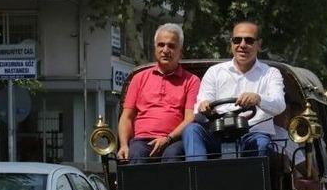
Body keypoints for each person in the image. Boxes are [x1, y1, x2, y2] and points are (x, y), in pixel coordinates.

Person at [182, 21, 285, 160]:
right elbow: (200, 109)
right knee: (191, 130)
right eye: (237, 40)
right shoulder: (214, 72)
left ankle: (253, 181)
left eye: (249, 40)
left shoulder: (271, 73)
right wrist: (204, 108)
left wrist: (258, 99)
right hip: (218, 133)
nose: (242, 45)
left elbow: (279, 105)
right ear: (231, 43)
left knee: (262, 144)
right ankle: (198, 179)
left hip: (252, 135)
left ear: (259, 45)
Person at [117, 23, 200, 164]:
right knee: (136, 153)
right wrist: (124, 145)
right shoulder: (139, 78)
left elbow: (190, 118)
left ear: (180, 51)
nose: (165, 50)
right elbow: (127, 117)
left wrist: (168, 138)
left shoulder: (192, 81)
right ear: (155, 49)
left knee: (172, 155)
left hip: (174, 141)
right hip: (142, 141)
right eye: (161, 45)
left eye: (171, 46)